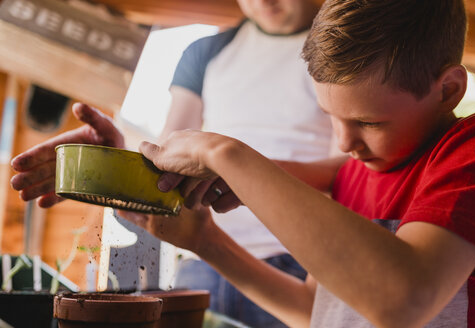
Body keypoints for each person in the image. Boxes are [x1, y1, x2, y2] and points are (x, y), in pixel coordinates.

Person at [11, 0, 475, 327]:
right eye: (331, 118)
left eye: (368, 121)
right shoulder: (354, 175)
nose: (344, 141)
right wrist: (204, 239)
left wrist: (223, 151)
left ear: (449, 89)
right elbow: (312, 310)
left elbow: (403, 299)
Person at [11, 1, 341, 326]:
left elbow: (345, 170)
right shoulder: (205, 51)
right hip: (202, 260)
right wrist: (113, 163)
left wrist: (235, 168)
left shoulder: (338, 47)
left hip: (299, 258)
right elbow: (171, 152)